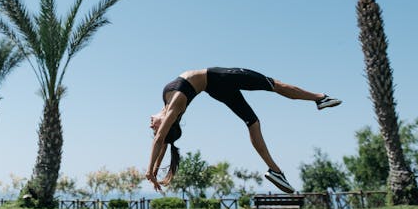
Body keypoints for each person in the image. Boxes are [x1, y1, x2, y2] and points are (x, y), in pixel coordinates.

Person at [145, 67, 341, 194]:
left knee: (253, 122)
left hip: (215, 87)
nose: (151, 125)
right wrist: (149, 170)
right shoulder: (176, 104)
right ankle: (319, 98)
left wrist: (154, 171)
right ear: (167, 124)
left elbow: (163, 142)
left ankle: (275, 171)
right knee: (273, 84)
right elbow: (161, 139)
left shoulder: (168, 106)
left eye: (153, 128)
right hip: (220, 78)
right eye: (155, 128)